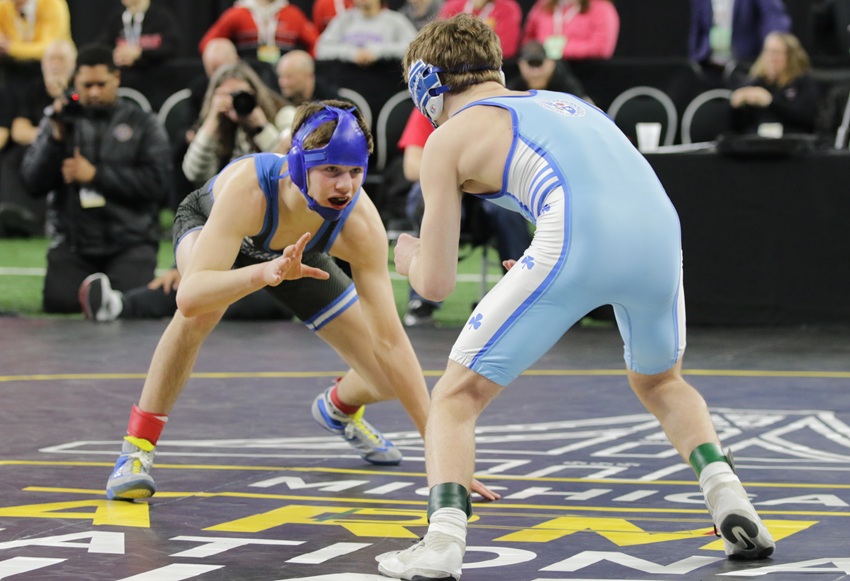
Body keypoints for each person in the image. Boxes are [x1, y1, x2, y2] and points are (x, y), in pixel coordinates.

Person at [377, 14, 775, 579]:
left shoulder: (448, 137)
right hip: (660, 234)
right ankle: (728, 494)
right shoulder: (568, 102)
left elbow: (436, 285)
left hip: (576, 238)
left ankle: (441, 542)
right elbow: (585, 185)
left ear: (425, 86)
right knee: (663, 381)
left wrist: (408, 255)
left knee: (454, 397)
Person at [102, 99, 498, 503]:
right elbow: (189, 296)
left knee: (384, 375)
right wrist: (263, 272)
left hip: (299, 256)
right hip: (216, 231)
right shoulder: (250, 189)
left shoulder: (360, 223)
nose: (345, 185)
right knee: (199, 316)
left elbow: (392, 341)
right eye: (331, 170)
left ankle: (338, 407)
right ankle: (136, 451)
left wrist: (441, 461)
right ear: (297, 164)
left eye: (355, 172)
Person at [20, 44, 172, 314]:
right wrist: (55, 141)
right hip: (74, 244)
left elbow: (158, 185)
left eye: (101, 84)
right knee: (60, 303)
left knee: (130, 303)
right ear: (75, 81)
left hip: (130, 241)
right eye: (86, 85)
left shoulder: (143, 123)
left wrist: (96, 176)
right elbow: (32, 183)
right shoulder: (58, 121)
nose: (93, 92)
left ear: (117, 78)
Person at [397, 108, 532, 327]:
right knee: (428, 196)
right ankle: (422, 300)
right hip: (447, 189)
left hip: (483, 190)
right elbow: (412, 166)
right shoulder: (429, 109)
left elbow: (509, 166)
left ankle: (524, 295)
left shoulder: (494, 111)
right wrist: (451, 173)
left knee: (507, 207)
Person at [0, 38, 75, 238]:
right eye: (50, 59)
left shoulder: (79, 91)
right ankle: (18, 215)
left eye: (61, 59)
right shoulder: (32, 90)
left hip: (73, 153)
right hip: (41, 151)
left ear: (73, 64)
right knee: (17, 159)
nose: (55, 64)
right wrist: (50, 137)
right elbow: (18, 131)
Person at [181, 61, 291, 187]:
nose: (236, 101)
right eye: (228, 95)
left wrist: (261, 128)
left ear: (255, 93)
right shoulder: (215, 125)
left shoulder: (282, 114)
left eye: (242, 95)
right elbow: (195, 173)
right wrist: (212, 121)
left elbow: (288, 168)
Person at [729, 31, 819, 136]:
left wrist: (770, 102)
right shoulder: (755, 82)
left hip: (791, 141)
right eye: (767, 52)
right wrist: (736, 106)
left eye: (776, 52)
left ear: (790, 56)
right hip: (757, 143)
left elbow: (806, 117)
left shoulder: (802, 82)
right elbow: (737, 127)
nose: (771, 58)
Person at [199, 0, 318, 65]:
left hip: (284, 77)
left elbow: (316, 45)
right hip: (248, 74)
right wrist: (229, 61)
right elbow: (208, 44)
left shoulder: (293, 14)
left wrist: (304, 64)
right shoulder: (237, 14)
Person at [689, 0, 791, 67]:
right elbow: (697, 24)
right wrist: (695, 53)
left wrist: (773, 43)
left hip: (744, 64)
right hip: (708, 63)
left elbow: (774, 16)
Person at [314, 0, 418, 66]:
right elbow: (321, 49)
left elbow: (414, 49)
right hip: (347, 81)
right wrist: (352, 54)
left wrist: (377, 52)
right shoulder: (344, 20)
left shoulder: (395, 20)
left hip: (385, 82)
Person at [521, 0, 619, 60]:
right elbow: (528, 40)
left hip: (585, 72)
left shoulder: (602, 8)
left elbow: (601, 48)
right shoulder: (543, 6)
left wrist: (560, 49)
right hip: (543, 72)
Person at [98, 0, 180, 70]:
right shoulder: (116, 19)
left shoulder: (162, 18)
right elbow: (102, 47)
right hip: (124, 77)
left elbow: (173, 48)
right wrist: (118, 54)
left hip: (156, 77)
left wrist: (140, 53)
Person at [438, 0, 521, 59]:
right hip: (452, 61)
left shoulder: (508, 8)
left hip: (489, 65)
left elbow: (506, 48)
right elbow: (440, 38)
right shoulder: (453, 5)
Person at [507, 39, 588, 98]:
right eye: (531, 65)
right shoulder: (513, 90)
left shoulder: (568, 87)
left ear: (551, 63)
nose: (536, 72)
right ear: (521, 65)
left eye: (539, 64)